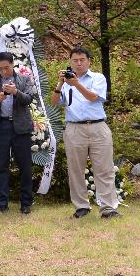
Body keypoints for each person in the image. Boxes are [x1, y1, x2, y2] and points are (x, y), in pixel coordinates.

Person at [52, 47, 121, 219]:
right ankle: (81, 206)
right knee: (75, 170)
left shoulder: (97, 78)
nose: (79, 63)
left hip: (98, 127)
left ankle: (108, 208)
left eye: (82, 59)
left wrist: (76, 84)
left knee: (104, 168)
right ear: (70, 62)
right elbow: (54, 103)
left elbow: (92, 97)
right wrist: (60, 83)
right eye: (75, 60)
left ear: (89, 61)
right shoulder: (66, 82)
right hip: (74, 128)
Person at [0, 52, 35, 214]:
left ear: (13, 65)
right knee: (1, 167)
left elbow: (29, 99)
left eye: (7, 67)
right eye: (0, 69)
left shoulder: (24, 79)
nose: (4, 71)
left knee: (25, 166)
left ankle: (26, 203)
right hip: (1, 126)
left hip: (20, 127)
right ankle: (2, 203)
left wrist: (15, 92)